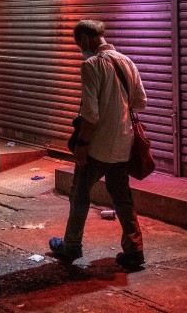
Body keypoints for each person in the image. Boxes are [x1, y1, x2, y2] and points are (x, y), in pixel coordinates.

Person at [49, 19, 147, 270]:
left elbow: (90, 114)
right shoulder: (128, 62)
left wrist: (81, 143)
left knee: (80, 194)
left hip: (97, 146)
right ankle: (135, 251)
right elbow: (140, 103)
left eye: (78, 44)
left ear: (84, 40)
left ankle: (71, 246)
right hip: (123, 144)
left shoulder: (91, 65)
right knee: (122, 198)